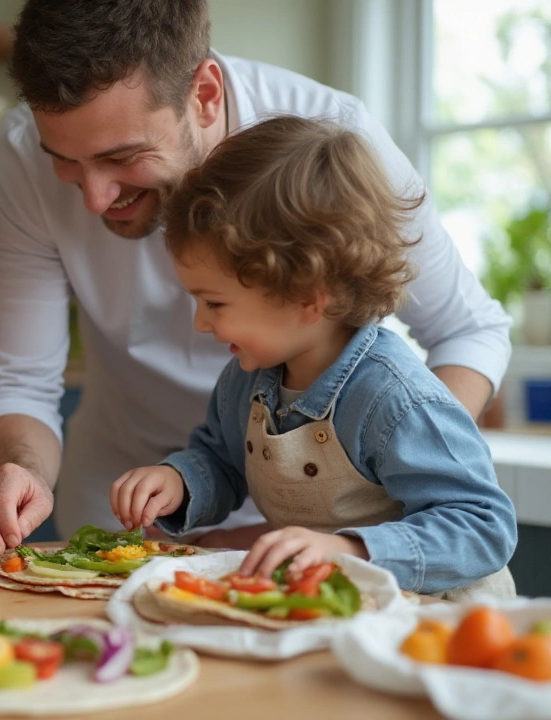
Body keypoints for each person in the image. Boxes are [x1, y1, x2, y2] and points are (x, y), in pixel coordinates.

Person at [0, 0, 512, 562]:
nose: (95, 199)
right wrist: (21, 476)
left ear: (206, 93)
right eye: (66, 162)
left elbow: (469, 330)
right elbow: (19, 378)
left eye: (123, 156)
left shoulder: (334, 149)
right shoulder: (22, 151)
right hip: (128, 497)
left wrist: (361, 508)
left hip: (353, 537)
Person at [110, 116, 516, 598]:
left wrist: (350, 551)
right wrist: (178, 480)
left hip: (444, 619)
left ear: (308, 295)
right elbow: (221, 460)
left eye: (214, 303)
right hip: (337, 606)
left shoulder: (396, 397)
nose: (201, 322)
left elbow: (482, 526)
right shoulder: (245, 381)